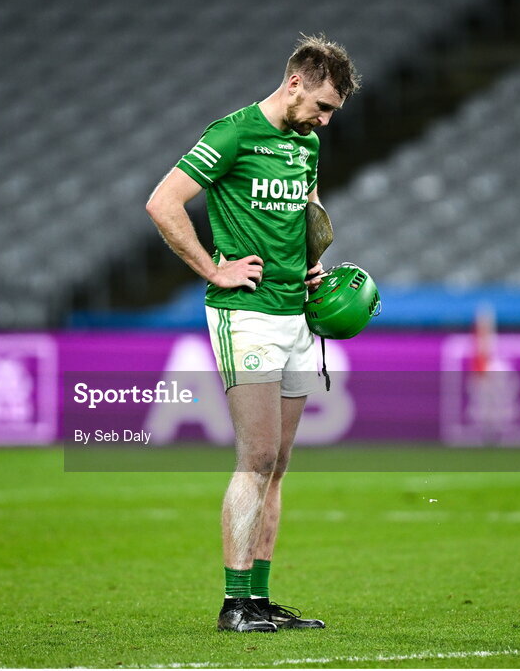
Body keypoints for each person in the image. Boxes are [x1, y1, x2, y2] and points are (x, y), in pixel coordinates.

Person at [145, 34, 360, 633]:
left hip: (296, 315)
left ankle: (260, 601)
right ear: (295, 82)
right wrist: (215, 268)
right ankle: (234, 603)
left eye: (331, 113)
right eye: (321, 105)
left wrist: (314, 264)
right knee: (258, 453)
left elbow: (306, 214)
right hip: (247, 314)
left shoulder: (306, 146)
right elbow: (163, 203)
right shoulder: (233, 134)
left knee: (281, 461)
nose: (323, 119)